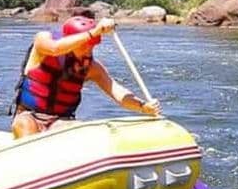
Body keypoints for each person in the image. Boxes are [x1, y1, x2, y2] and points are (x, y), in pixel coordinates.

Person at [11, 16, 161, 139]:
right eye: (85, 44)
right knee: (25, 125)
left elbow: (116, 91)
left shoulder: (91, 67)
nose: (89, 49)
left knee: (80, 131)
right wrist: (94, 32)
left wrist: (143, 107)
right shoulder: (43, 41)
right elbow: (55, 48)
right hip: (29, 115)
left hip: (60, 120)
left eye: (92, 45)